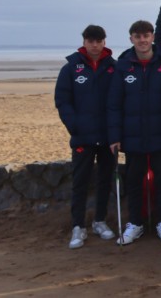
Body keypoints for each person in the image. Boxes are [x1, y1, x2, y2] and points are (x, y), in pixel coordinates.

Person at [107, 20, 161, 245]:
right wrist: (115, 136)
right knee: (134, 182)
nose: (143, 40)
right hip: (132, 136)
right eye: (138, 37)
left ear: (153, 37)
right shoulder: (122, 66)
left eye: (146, 35)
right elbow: (114, 104)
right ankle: (135, 223)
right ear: (131, 39)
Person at [55, 24, 118, 249]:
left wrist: (115, 130)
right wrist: (75, 126)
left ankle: (99, 221)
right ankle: (78, 227)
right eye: (90, 40)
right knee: (80, 182)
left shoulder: (113, 67)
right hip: (83, 136)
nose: (94, 44)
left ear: (104, 42)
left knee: (104, 180)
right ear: (84, 42)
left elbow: (118, 101)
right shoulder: (71, 68)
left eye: (98, 41)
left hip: (107, 136)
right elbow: (62, 101)